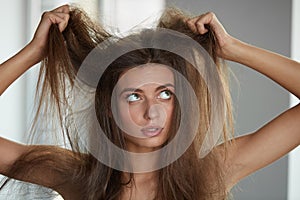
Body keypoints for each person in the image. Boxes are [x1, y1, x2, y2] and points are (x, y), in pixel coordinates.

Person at [0, 4, 299, 200]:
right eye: (133, 96)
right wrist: (33, 53)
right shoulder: (77, 176)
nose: (151, 112)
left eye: (165, 93)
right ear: (108, 108)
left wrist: (233, 49)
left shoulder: (211, 172)